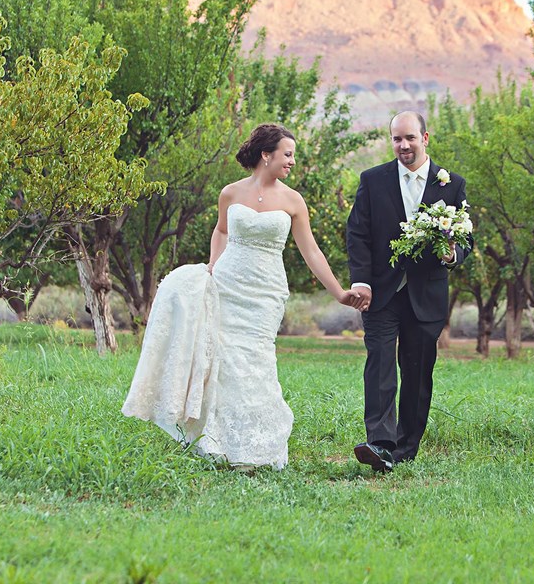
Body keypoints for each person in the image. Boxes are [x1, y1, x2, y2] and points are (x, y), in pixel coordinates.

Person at [122, 123, 367, 469]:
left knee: (256, 359)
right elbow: (221, 231)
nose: (292, 162)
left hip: (265, 291)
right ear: (266, 155)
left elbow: (310, 251)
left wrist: (339, 292)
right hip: (229, 284)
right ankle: (217, 441)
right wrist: (211, 266)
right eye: (287, 154)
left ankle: (259, 445)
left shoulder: (293, 200)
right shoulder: (230, 193)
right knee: (223, 360)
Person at [346, 111, 472, 472]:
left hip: (426, 296)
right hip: (380, 294)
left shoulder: (452, 185)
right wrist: (361, 281)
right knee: (380, 365)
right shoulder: (372, 180)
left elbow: (466, 238)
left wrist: (452, 253)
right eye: (396, 139)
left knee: (417, 373)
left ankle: (405, 448)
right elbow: (357, 234)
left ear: (425, 138)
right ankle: (380, 445)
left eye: (410, 138)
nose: (403, 145)